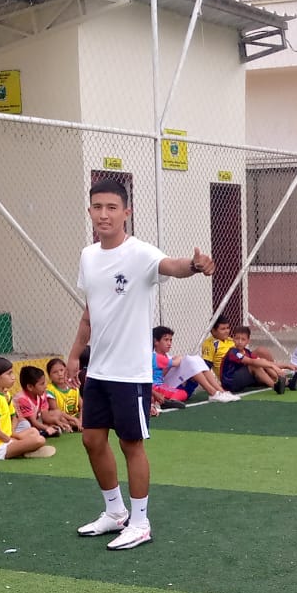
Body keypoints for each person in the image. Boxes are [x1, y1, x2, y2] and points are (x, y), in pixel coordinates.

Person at [65, 175, 215, 550]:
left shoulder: (140, 253)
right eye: (97, 207)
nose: (104, 214)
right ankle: (115, 513)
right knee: (91, 439)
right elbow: (90, 312)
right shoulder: (88, 256)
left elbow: (172, 266)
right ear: (89, 211)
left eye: (112, 207)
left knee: (131, 443)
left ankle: (140, 522)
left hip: (130, 373)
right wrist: (73, 354)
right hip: (98, 370)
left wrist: (195, 265)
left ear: (126, 212)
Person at [0, 356, 55, 460]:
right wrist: (12, 440)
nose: (13, 377)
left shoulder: (5, 395)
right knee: (40, 440)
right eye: (9, 374)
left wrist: (15, 435)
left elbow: (14, 417)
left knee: (33, 431)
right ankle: (24, 451)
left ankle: (23, 449)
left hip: (5, 439)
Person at [152, 326, 233, 406]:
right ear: (156, 341)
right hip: (158, 386)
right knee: (189, 361)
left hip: (167, 385)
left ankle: (221, 391)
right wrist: (180, 359)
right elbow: (174, 364)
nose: (169, 343)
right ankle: (213, 392)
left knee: (196, 359)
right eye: (166, 340)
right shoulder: (154, 356)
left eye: (170, 340)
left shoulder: (167, 357)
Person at [225, 325, 295, 393]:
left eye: (243, 339)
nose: (240, 342)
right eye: (237, 338)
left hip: (242, 381)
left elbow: (264, 362)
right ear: (233, 338)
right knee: (255, 365)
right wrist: (273, 366)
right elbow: (252, 361)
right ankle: (276, 386)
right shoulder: (233, 352)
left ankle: (287, 382)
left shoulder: (247, 352)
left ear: (248, 341)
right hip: (231, 383)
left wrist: (286, 366)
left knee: (262, 363)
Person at [17, 365, 63, 438]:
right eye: (42, 384)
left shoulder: (41, 394)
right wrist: (47, 428)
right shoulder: (22, 399)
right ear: (30, 387)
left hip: (35, 421)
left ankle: (42, 431)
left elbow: (45, 417)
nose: (45, 386)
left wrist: (57, 421)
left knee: (56, 413)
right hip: (22, 425)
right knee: (26, 425)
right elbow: (33, 422)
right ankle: (40, 433)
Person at [46, 357, 84, 430]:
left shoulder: (73, 385)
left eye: (61, 370)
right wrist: (74, 420)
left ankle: (79, 425)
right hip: (63, 417)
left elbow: (82, 406)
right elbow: (56, 411)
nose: (60, 374)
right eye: (55, 372)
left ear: (66, 371)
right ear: (49, 376)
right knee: (58, 417)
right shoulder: (50, 390)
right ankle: (76, 425)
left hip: (75, 416)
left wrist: (80, 419)